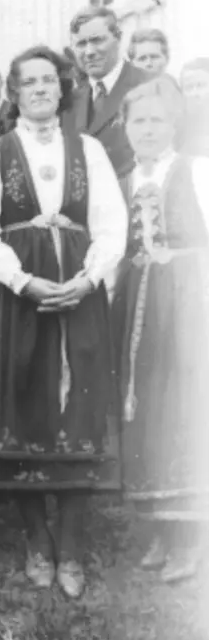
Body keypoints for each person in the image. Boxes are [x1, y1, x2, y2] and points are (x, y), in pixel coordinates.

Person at [0, 45, 127, 600]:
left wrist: (87, 279)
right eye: (27, 82)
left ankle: (74, 547)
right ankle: (37, 540)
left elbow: (111, 223)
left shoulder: (90, 150)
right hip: (19, 298)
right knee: (25, 404)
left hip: (78, 293)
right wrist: (23, 281)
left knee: (78, 407)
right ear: (13, 92)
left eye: (47, 81)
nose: (38, 89)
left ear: (62, 90)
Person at [113, 77, 209, 584]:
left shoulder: (195, 172)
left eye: (157, 120)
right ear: (125, 128)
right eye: (138, 121)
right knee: (147, 403)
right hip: (140, 303)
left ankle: (191, 535)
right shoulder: (125, 179)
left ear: (175, 124)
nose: (147, 130)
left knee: (186, 402)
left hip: (190, 298)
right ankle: (160, 527)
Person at [62, 6, 150, 177]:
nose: (89, 52)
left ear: (118, 38)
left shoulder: (149, 85)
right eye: (81, 44)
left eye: (97, 40)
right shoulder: (70, 103)